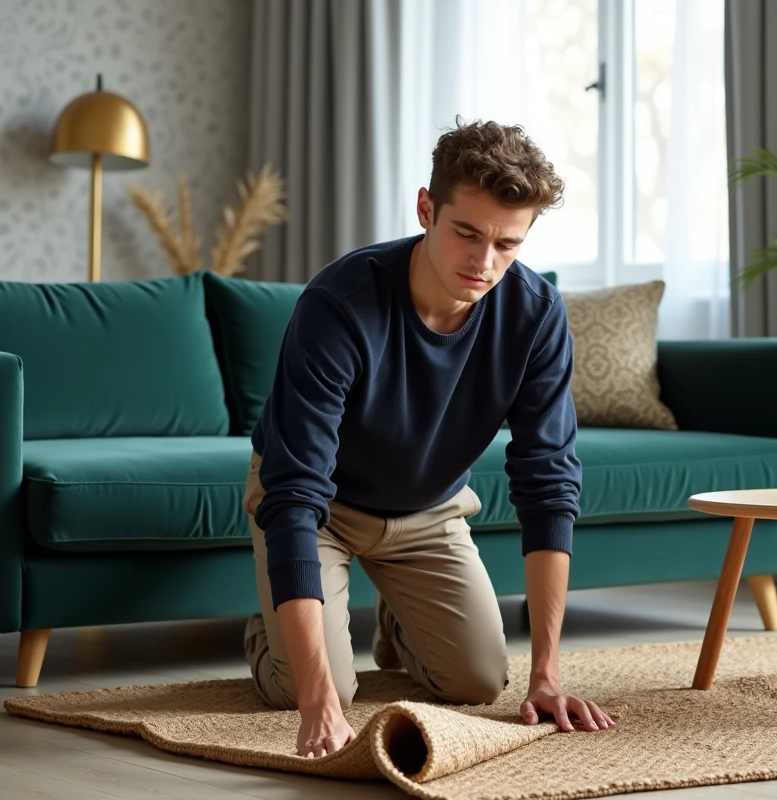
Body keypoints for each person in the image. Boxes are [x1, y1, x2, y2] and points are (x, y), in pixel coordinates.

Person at [241, 118, 615, 759]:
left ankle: (397, 617)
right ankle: (270, 630)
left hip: (429, 511)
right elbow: (294, 494)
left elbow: (548, 480)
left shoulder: (536, 314)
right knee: (310, 686)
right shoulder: (339, 304)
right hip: (320, 509)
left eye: (507, 244)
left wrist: (547, 676)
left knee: (476, 683)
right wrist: (319, 703)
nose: (484, 262)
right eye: (467, 233)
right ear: (425, 209)